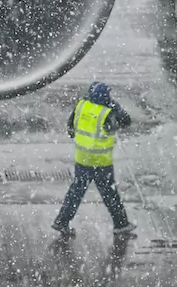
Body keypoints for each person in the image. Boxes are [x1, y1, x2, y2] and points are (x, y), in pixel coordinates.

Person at [52, 81, 137, 237]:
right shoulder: (107, 112)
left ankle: (61, 221)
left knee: (76, 192)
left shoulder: (82, 105)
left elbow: (71, 127)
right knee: (110, 194)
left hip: (82, 159)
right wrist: (115, 107)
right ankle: (121, 224)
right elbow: (126, 121)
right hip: (100, 161)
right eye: (109, 94)